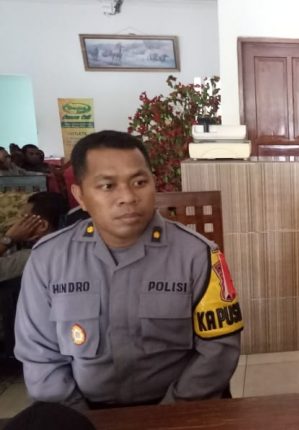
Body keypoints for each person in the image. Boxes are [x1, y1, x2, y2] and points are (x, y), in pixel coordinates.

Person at [14, 130, 244, 409]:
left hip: (178, 409)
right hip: (82, 413)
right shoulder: (48, 259)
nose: (128, 197)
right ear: (80, 196)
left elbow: (218, 349)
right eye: (108, 186)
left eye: (139, 182)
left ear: (153, 184)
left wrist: (170, 417)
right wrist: (81, 421)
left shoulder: (198, 254)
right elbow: (39, 356)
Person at [1, 191, 69, 282]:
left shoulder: (31, 257)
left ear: (42, 225)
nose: (18, 222)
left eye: (24, 217)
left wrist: (9, 238)